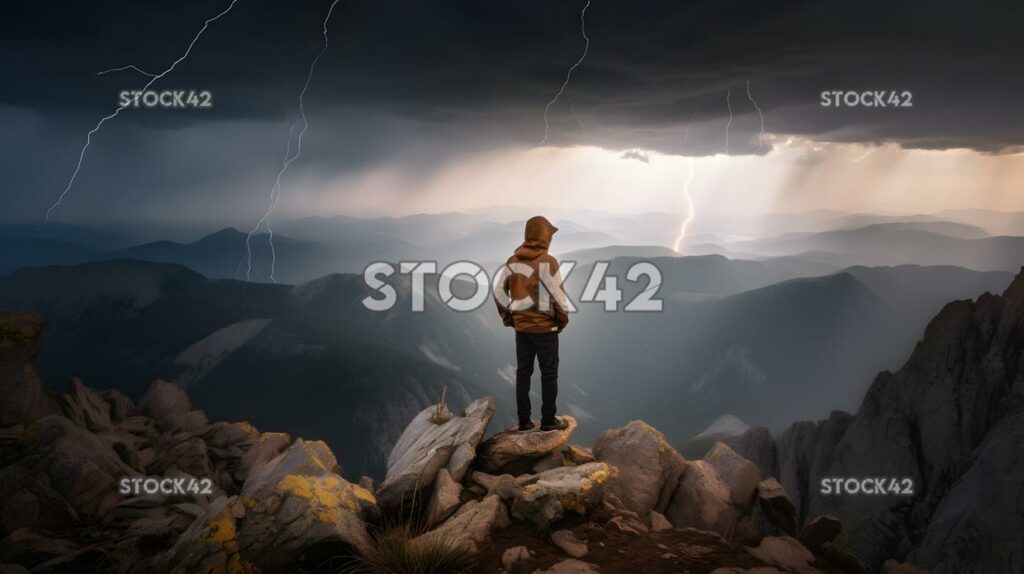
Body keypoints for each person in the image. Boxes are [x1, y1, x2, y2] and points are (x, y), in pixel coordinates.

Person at [494, 215, 571, 432]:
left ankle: (524, 422)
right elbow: (559, 300)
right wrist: (561, 322)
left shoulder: (513, 262)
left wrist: (509, 318)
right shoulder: (548, 262)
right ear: (545, 236)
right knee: (549, 374)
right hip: (546, 330)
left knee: (523, 373)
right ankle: (548, 421)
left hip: (522, 330)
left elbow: (499, 292)